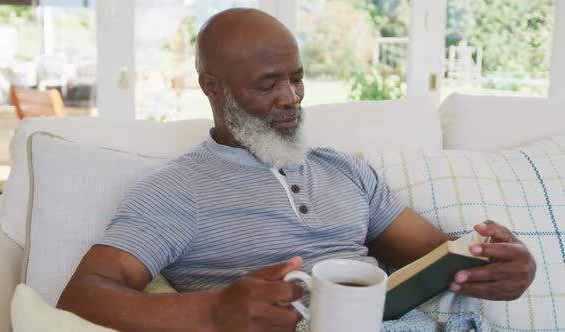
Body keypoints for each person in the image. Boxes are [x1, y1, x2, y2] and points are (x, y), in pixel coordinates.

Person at [57, 8, 536, 332]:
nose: (290, 98)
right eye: (268, 84)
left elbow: (433, 253)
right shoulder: (178, 190)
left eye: (296, 78)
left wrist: (496, 265)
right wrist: (213, 310)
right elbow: (82, 295)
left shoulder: (345, 170)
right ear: (212, 87)